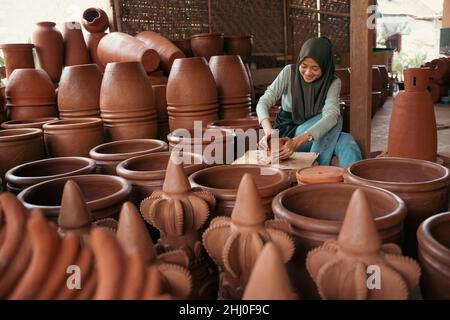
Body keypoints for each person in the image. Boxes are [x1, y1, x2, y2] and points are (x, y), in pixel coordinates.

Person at [257, 37, 362, 167]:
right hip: (286, 140)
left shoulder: (333, 82)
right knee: (337, 121)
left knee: (347, 141)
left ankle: (353, 183)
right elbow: (263, 101)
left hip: (307, 139)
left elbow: (331, 115)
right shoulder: (289, 73)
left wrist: (297, 141)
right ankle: (314, 172)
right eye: (304, 66)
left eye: (315, 68)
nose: (307, 72)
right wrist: (268, 131)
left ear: (325, 66)